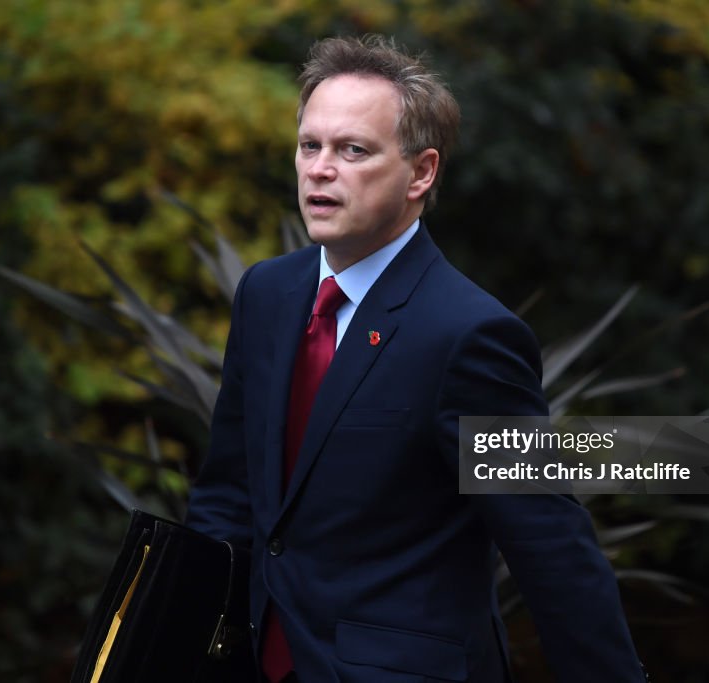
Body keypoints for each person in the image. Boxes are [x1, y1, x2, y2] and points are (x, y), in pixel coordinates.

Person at [185, 34, 646, 682]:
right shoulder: (267, 294)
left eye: (353, 150)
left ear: (421, 172)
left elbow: (549, 545)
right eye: (309, 145)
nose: (319, 169)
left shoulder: (471, 336)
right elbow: (228, 497)